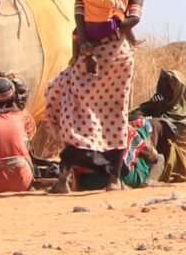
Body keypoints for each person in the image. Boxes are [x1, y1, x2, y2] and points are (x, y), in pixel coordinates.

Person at [44, 37, 136, 192]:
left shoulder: (72, 72)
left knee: (74, 126)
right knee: (117, 121)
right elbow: (132, 22)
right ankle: (114, 181)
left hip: (89, 61)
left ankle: (63, 180)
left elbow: (52, 95)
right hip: (118, 59)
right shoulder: (119, 29)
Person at [132, 69, 186, 182]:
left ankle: (153, 172)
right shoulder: (153, 104)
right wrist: (149, 110)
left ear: (177, 90)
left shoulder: (183, 115)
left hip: (173, 157)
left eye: (168, 87)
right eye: (162, 85)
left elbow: (170, 133)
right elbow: (131, 116)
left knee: (154, 125)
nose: (163, 90)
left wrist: (158, 112)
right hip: (147, 150)